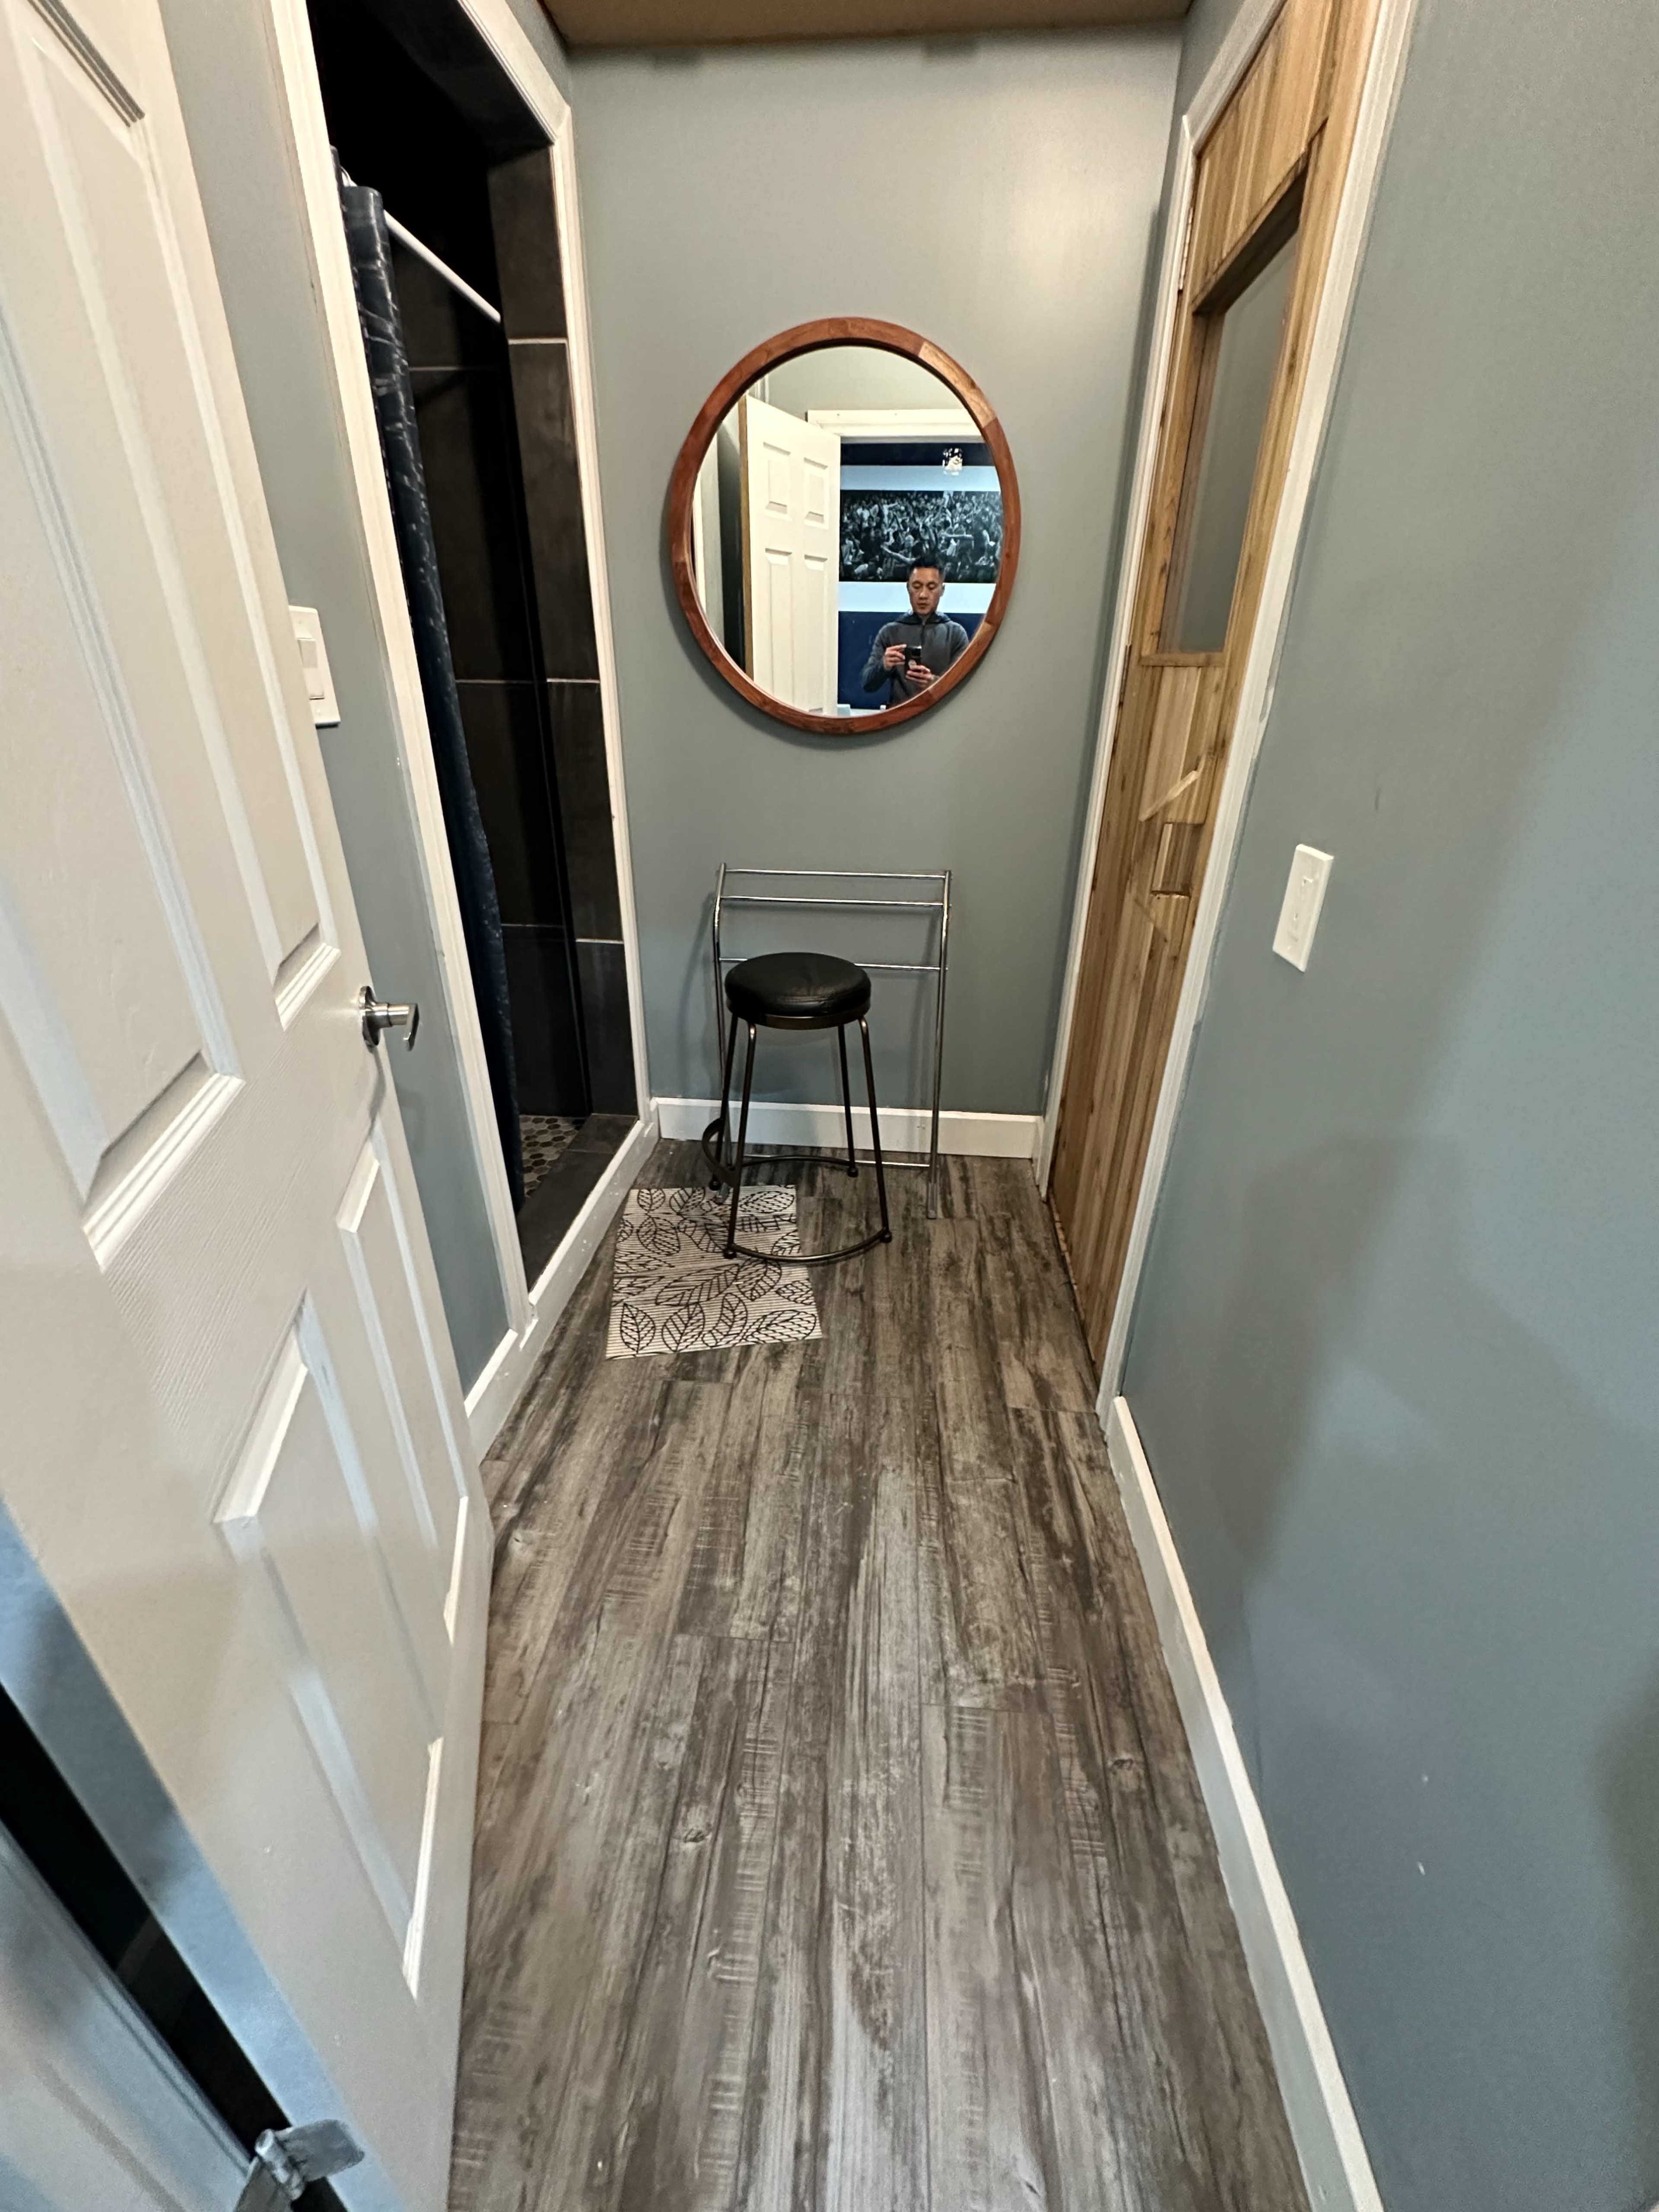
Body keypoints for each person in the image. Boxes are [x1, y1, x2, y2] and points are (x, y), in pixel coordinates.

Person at [860, 557, 969, 707]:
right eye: (917, 586)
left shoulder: (956, 634)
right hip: (899, 723)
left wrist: (934, 683)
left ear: (942, 590)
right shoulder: (890, 632)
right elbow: (867, 684)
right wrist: (884, 666)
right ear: (908, 588)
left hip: (943, 720)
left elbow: (965, 689)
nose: (923, 595)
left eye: (931, 587)